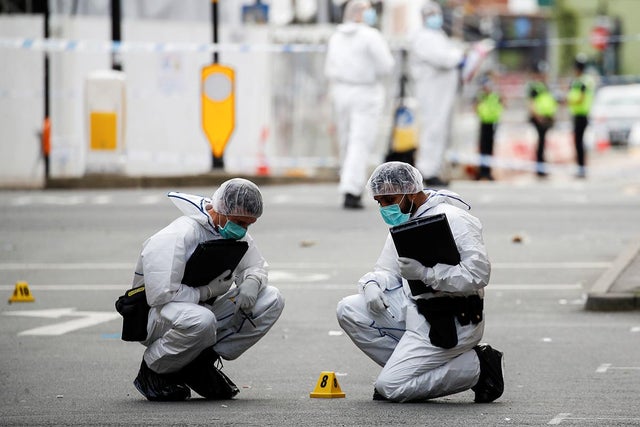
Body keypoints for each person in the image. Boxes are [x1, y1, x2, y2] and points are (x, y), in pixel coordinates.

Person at [336, 161, 504, 403]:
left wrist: (427, 273)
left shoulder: (455, 219)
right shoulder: (404, 221)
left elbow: (477, 274)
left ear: (411, 191)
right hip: (416, 310)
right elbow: (387, 270)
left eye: (389, 199)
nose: (384, 208)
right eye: (379, 202)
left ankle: (477, 367)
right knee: (349, 309)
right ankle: (408, 372)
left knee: (389, 388)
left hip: (453, 320)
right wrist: (371, 284)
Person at [131, 178, 285, 401]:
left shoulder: (229, 229)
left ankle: (197, 364)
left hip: (198, 311)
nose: (243, 230)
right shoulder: (177, 236)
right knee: (202, 320)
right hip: (154, 316)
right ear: (220, 209)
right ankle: (154, 369)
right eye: (240, 222)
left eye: (248, 224)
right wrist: (207, 292)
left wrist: (252, 280)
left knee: (271, 299)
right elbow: (159, 295)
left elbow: (256, 266)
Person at [324, 0, 395, 209]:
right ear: (360, 14)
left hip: (341, 91)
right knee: (360, 141)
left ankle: (347, 180)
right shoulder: (371, 36)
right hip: (365, 92)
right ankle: (351, 188)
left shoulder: (336, 37)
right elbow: (387, 66)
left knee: (346, 140)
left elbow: (329, 68)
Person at [409, 0, 465, 187]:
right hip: (431, 91)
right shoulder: (423, 37)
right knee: (432, 129)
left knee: (441, 130)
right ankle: (426, 169)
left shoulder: (437, 35)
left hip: (442, 91)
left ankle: (435, 167)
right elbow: (444, 58)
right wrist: (458, 57)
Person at [527, 61, 558, 177]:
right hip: (539, 119)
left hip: (546, 118)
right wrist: (537, 116)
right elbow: (532, 104)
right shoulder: (535, 87)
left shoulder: (547, 87)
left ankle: (542, 167)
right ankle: (540, 169)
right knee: (540, 144)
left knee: (543, 143)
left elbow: (550, 102)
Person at [567, 54, 594, 178]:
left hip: (581, 115)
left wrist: (569, 101)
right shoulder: (581, 81)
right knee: (579, 142)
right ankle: (580, 167)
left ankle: (581, 168)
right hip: (579, 114)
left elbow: (580, 98)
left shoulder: (583, 81)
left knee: (579, 143)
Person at [474, 74, 504, 181]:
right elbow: (476, 107)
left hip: (492, 123)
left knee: (489, 149)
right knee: (483, 148)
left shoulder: (495, 96)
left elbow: (502, 104)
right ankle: (482, 172)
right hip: (484, 123)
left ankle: (488, 172)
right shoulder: (481, 96)